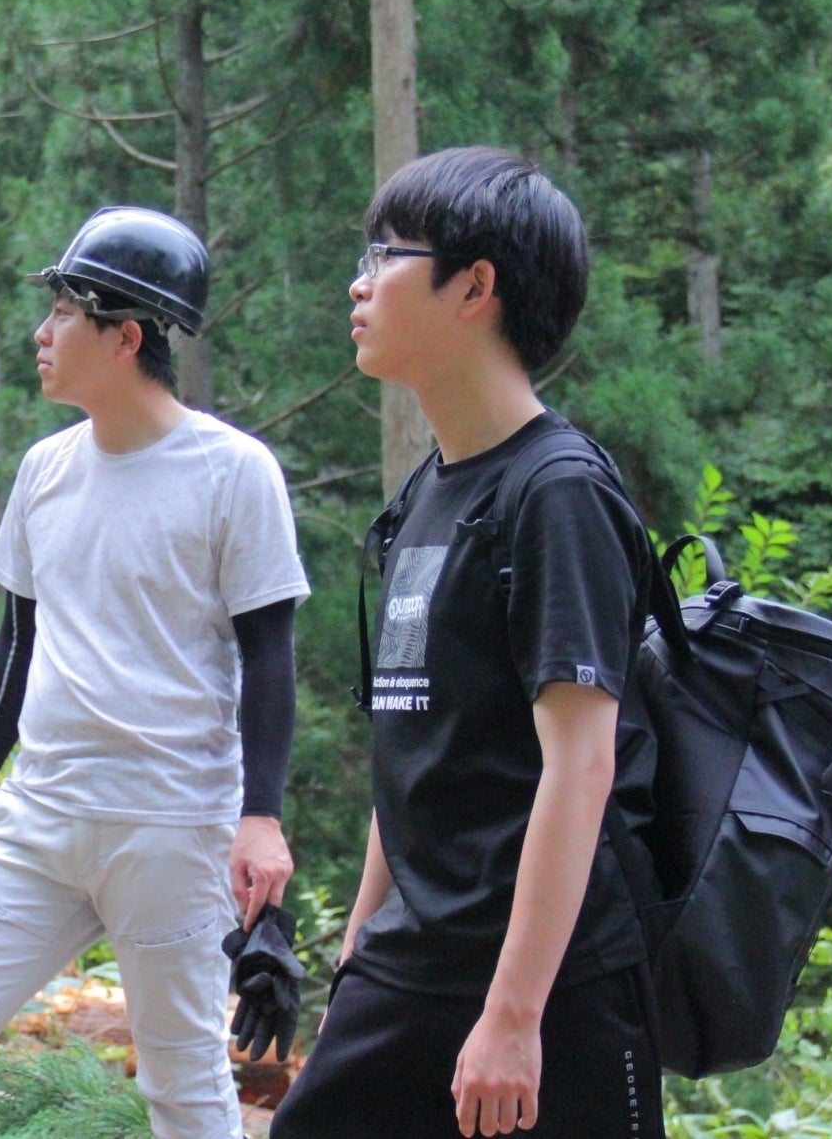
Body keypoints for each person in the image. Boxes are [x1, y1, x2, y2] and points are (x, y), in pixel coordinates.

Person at [0, 206, 312, 1139]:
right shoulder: (45, 469)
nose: (42, 334)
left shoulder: (233, 472)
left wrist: (262, 817)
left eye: (64, 313)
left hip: (171, 833)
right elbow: (17, 642)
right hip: (38, 826)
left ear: (127, 337)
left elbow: (268, 657)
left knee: (186, 1095)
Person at [269, 147, 666, 1139]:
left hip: (552, 988)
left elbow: (581, 765)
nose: (358, 283)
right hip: (411, 963)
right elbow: (411, 742)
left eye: (385, 255)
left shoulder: (558, 494)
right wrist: (360, 941)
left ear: (475, 287)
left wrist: (515, 1014)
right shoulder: (428, 493)